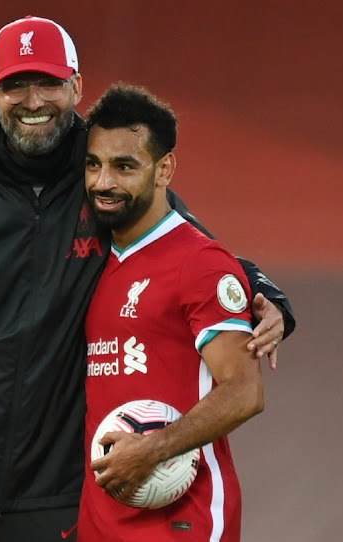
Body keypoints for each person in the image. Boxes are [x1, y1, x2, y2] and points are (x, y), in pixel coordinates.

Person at [0, 15, 295, 542]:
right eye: (16, 85)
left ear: (76, 86)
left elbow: (180, 242)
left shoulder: (103, 173)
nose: (32, 100)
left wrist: (266, 293)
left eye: (49, 84)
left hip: (50, 494)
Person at [78, 84, 266, 541]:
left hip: (183, 522)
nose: (104, 182)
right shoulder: (93, 261)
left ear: (165, 169)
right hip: (102, 520)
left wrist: (151, 449)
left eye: (125, 166)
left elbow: (245, 392)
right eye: (94, 164)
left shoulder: (199, 262)